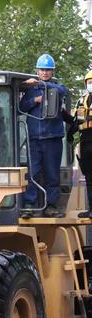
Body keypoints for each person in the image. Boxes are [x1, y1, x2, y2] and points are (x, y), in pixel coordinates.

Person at [19, 54, 68, 218]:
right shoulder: (30, 90)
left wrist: (40, 84)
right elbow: (22, 106)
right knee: (32, 172)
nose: (45, 72)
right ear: (37, 70)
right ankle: (30, 205)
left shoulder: (57, 87)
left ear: (52, 72)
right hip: (34, 139)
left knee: (52, 174)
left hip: (53, 138)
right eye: (42, 70)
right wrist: (35, 100)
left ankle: (51, 206)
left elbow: (63, 91)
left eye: (48, 70)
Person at [71, 70, 92, 218]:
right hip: (86, 140)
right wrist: (70, 133)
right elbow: (77, 121)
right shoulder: (81, 101)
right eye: (89, 82)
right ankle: (91, 210)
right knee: (89, 177)